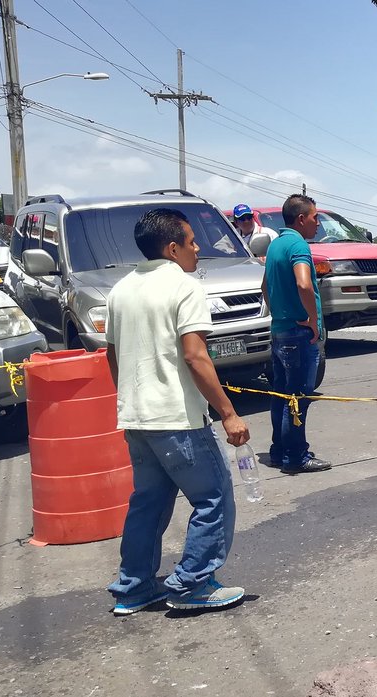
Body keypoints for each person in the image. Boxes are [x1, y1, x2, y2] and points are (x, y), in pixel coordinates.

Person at [103, 208, 249, 616]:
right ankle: (194, 583)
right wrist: (228, 413)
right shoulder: (184, 287)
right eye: (191, 241)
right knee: (213, 497)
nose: (197, 249)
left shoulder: (120, 290)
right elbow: (195, 355)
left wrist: (130, 398)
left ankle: (133, 587)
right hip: (177, 419)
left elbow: (112, 355)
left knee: (148, 502)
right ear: (172, 248)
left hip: (136, 418)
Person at [263, 193, 331, 474]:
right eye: (315, 218)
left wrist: (279, 313)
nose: (318, 224)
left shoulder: (275, 245)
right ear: (301, 219)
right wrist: (311, 321)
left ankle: (279, 451)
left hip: (279, 331)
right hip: (299, 334)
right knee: (299, 398)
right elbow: (304, 284)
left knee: (281, 394)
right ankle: (296, 456)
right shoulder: (298, 245)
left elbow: (266, 287)